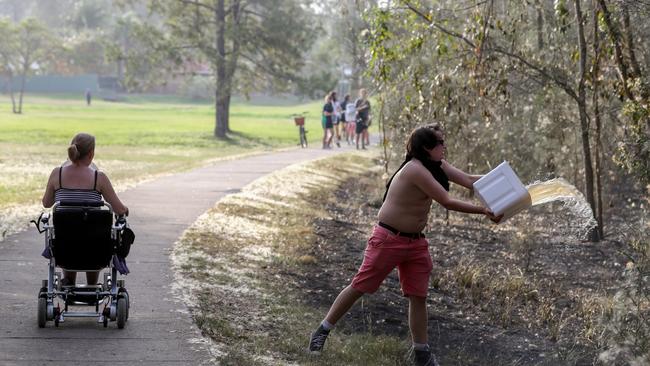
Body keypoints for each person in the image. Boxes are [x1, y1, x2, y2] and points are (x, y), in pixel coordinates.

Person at [308, 124, 502, 366]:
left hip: (415, 242)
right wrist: (484, 210)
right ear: (426, 148)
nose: (445, 147)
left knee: (418, 296)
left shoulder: (437, 165)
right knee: (360, 286)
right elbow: (446, 201)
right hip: (388, 239)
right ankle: (322, 331)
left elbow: (471, 181)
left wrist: (510, 184)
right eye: (440, 143)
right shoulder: (416, 170)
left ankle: (422, 353)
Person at [42, 132, 129, 286]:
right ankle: (92, 285)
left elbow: (47, 203)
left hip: (65, 248)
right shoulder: (98, 178)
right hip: (95, 249)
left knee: (69, 229)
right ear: (91, 154)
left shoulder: (57, 174)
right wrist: (125, 210)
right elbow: (119, 209)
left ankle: (68, 281)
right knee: (93, 231)